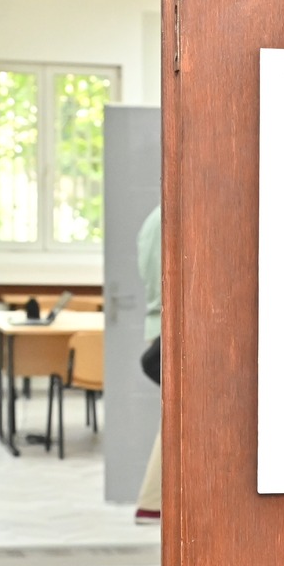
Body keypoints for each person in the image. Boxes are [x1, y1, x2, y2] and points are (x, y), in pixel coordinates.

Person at [135, 204, 162, 524]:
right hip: (174, 330)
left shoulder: (152, 219)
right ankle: (152, 503)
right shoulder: (175, 213)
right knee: (181, 421)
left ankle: (152, 503)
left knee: (178, 420)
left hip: (159, 327)